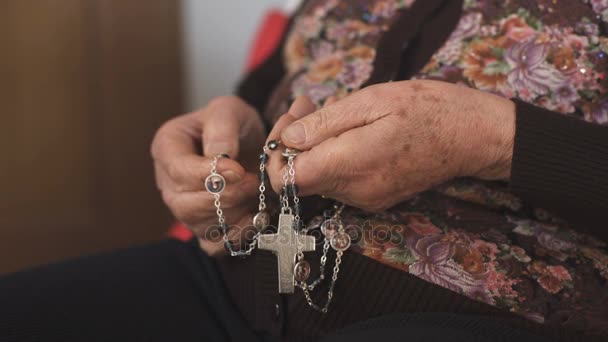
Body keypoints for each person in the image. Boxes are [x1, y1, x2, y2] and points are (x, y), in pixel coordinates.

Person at [1, 0, 607, 341]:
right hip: (226, 283)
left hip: (472, 315)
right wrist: (218, 135)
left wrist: (488, 138)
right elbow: (261, 96)